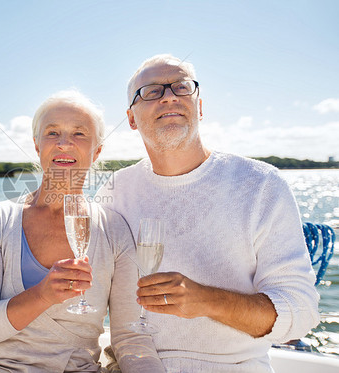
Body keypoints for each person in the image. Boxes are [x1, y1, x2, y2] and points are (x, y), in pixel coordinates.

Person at [93, 54, 320, 372]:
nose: (170, 95)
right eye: (152, 91)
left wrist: (207, 300)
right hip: (134, 363)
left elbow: (301, 313)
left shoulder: (261, 185)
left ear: (199, 106)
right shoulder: (113, 191)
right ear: (131, 118)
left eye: (182, 87)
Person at [0, 90, 164, 372]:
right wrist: (43, 295)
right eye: (52, 133)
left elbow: (130, 336)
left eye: (79, 134)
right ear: (37, 146)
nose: (64, 143)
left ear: (96, 150)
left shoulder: (114, 230)